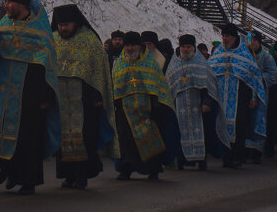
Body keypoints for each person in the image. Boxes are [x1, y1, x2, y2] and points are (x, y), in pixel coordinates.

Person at [0, 0, 61, 195]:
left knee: (28, 137)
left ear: (22, 4)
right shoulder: (5, 24)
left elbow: (48, 65)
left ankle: (28, 180)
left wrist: (45, 96)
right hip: (4, 90)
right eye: (6, 2)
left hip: (30, 94)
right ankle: (7, 171)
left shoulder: (40, 30)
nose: (7, 6)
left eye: (10, 3)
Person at [51, 4, 115, 189]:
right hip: (61, 100)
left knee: (84, 138)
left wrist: (96, 97)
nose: (63, 28)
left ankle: (82, 175)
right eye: (61, 25)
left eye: (67, 24)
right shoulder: (53, 40)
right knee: (64, 140)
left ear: (76, 23)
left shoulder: (90, 41)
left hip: (85, 100)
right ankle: (68, 174)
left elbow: (98, 73)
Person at [112, 32, 181, 180]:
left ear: (139, 46)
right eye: (127, 45)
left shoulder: (149, 63)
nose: (130, 48)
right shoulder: (120, 63)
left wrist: (156, 106)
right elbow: (115, 85)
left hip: (147, 109)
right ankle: (126, 169)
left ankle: (153, 169)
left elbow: (159, 86)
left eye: (133, 45)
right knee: (125, 140)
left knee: (151, 138)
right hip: (125, 110)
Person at [165, 34, 229, 170]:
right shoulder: (174, 64)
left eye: (188, 47)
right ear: (180, 48)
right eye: (183, 47)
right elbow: (168, 86)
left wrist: (207, 103)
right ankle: (182, 159)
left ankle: (201, 160)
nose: (186, 49)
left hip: (198, 106)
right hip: (180, 106)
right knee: (181, 133)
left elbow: (210, 87)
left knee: (202, 132)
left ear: (193, 48)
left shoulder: (202, 64)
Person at [209, 24, 267, 168]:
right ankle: (226, 156)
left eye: (228, 36)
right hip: (222, 97)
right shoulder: (218, 53)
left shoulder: (245, 54)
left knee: (239, 126)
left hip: (240, 97)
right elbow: (210, 72)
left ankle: (238, 156)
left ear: (235, 37)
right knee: (222, 124)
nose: (225, 39)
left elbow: (254, 77)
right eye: (223, 36)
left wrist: (254, 97)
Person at [245, 32, 277, 164]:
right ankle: (245, 149)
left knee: (259, 120)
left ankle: (257, 151)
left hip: (261, 95)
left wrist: (259, 77)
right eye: (249, 40)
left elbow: (274, 75)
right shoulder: (245, 56)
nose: (252, 43)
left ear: (259, 42)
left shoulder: (266, 57)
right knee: (246, 120)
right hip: (246, 92)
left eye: (254, 40)